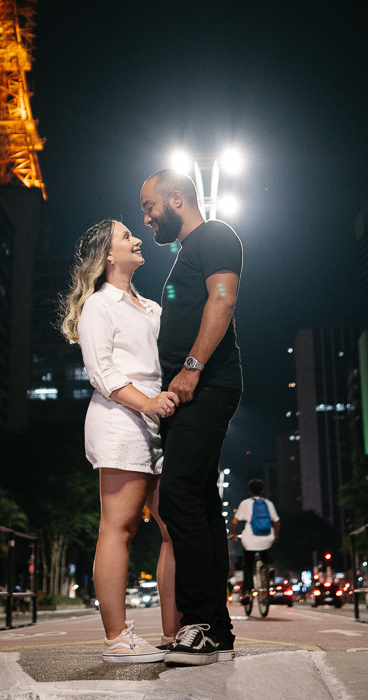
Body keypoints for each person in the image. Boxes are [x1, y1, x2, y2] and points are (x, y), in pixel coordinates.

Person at [60, 218, 181, 663]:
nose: (136, 239)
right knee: (119, 527)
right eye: (126, 236)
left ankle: (176, 633)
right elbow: (103, 372)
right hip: (120, 419)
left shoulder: (150, 307)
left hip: (156, 422)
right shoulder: (99, 306)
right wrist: (148, 403)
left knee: (174, 526)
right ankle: (116, 639)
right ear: (109, 255)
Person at [140, 169, 243, 666]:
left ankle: (198, 622)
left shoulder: (216, 235)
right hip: (190, 390)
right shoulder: (186, 251)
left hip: (204, 385)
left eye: (150, 205)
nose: (146, 217)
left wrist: (192, 369)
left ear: (176, 198)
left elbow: (222, 300)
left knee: (177, 495)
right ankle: (216, 628)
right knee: (200, 503)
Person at [229, 479, 280, 599]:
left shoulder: (245, 503)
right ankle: (270, 567)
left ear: (249, 491)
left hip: (250, 540)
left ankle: (247, 592)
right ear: (262, 491)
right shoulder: (268, 503)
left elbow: (234, 522)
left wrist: (234, 534)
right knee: (265, 553)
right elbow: (277, 522)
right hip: (267, 538)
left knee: (248, 564)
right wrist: (276, 536)